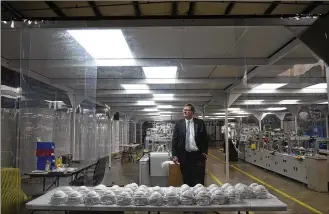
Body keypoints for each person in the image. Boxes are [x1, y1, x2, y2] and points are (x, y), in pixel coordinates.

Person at [171, 103, 208, 186]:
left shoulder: (199, 123)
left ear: (192, 112)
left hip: (198, 155)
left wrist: (205, 152)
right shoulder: (179, 124)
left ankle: (199, 197)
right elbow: (174, 140)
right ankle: (188, 197)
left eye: (187, 110)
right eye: (184, 110)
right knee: (186, 180)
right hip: (184, 156)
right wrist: (174, 155)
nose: (185, 111)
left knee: (199, 180)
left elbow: (205, 138)